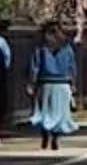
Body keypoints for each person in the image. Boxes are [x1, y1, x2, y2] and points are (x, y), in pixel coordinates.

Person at [28, 21, 80, 151]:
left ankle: (45, 135)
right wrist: (73, 83)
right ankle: (55, 137)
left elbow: (35, 67)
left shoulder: (41, 48)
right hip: (63, 84)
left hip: (45, 83)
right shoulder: (67, 48)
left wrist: (32, 83)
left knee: (44, 112)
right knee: (59, 113)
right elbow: (72, 67)